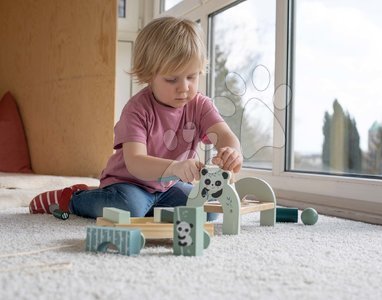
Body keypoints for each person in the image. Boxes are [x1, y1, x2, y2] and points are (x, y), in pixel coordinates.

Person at [29, 16, 242, 219]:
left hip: (166, 187)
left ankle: (148, 207)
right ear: (149, 75)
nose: (184, 88)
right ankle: (72, 198)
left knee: (210, 208)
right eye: (172, 79)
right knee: (129, 208)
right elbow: (136, 162)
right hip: (128, 184)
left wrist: (231, 152)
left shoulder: (200, 105)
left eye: (191, 77)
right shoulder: (137, 109)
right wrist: (175, 168)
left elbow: (224, 136)